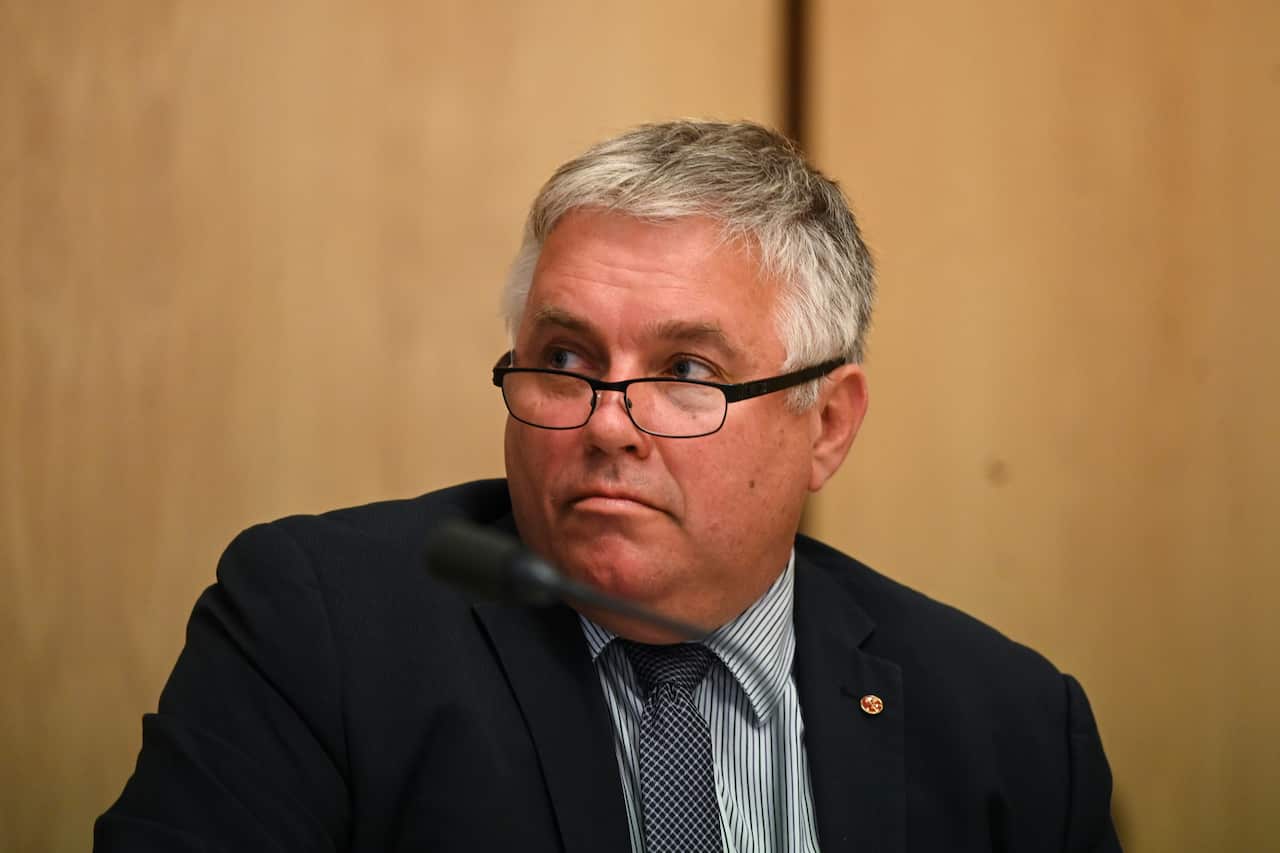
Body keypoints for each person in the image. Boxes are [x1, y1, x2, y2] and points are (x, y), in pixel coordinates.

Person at [96, 120, 1121, 852]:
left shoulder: (1011, 725)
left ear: (827, 424)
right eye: (565, 358)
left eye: (684, 374)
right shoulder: (318, 628)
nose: (603, 422)